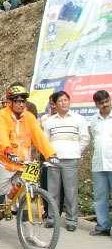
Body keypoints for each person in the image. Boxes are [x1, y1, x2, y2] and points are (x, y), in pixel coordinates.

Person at [0, 85, 57, 249]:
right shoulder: (1, 116)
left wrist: (50, 154)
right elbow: (1, 135)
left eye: (23, 101)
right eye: (18, 101)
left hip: (22, 162)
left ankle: (29, 234)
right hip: (4, 160)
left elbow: (39, 137)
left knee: (25, 198)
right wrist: (7, 150)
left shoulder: (29, 117)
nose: (21, 104)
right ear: (10, 102)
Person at [43, 91, 90, 232]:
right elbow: (46, 140)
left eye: (66, 100)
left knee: (71, 192)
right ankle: (52, 218)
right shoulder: (50, 121)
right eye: (61, 101)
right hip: (54, 161)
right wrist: (51, 155)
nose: (64, 103)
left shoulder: (78, 119)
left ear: (69, 102)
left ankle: (71, 220)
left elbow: (85, 138)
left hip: (70, 160)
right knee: (52, 192)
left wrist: (76, 150)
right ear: (55, 105)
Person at [89, 90, 112, 237]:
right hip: (99, 164)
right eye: (101, 103)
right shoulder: (94, 120)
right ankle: (103, 226)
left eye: (107, 101)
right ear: (96, 104)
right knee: (100, 197)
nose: (105, 105)